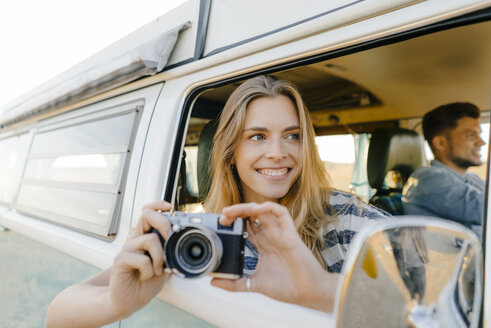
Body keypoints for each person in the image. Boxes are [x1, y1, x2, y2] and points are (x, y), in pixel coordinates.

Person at [46, 75, 389, 327]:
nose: (278, 153)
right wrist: (115, 303)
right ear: (230, 152)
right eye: (257, 136)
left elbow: (423, 302)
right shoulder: (196, 237)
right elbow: (57, 315)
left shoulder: (346, 217)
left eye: (292, 136)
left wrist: (319, 290)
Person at [402, 102, 485, 235]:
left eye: (479, 134)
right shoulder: (428, 179)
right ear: (441, 143)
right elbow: (485, 209)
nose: (481, 142)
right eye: (471, 135)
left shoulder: (470, 179)